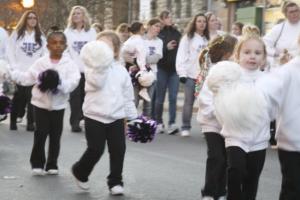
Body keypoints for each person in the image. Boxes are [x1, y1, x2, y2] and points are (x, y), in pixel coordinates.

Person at [71, 31, 137, 195]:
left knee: (118, 149)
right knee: (96, 149)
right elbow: (97, 84)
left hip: (116, 116)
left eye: (106, 46)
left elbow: (128, 96)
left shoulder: (122, 71)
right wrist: (100, 63)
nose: (102, 49)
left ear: (115, 50)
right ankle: (80, 171)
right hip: (94, 115)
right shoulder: (92, 69)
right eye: (99, 45)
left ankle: (115, 181)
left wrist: (133, 118)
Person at [206, 34, 269, 200]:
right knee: (235, 172)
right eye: (247, 52)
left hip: (259, 139)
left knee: (252, 179)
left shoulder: (268, 80)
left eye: (257, 53)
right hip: (235, 136)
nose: (252, 56)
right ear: (238, 55)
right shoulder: (231, 76)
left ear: (264, 58)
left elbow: (275, 107)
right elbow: (216, 96)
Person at [10, 29, 80, 175]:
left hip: (58, 106)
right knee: (40, 134)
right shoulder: (41, 62)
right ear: (47, 46)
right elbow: (28, 77)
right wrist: (13, 74)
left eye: (61, 43)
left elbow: (73, 82)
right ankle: (37, 163)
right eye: (54, 43)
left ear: (66, 46)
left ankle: (52, 164)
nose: (57, 46)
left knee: (56, 135)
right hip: (40, 104)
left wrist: (57, 83)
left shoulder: (70, 64)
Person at [197, 35, 237, 200]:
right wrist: (219, 112)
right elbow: (204, 98)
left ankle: (221, 191)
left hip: (229, 123)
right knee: (216, 157)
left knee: (227, 159)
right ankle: (208, 191)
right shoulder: (215, 71)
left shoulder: (237, 72)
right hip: (211, 123)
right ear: (228, 54)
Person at [6, 10, 46, 131]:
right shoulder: (17, 34)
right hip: (19, 71)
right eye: (30, 18)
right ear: (25, 19)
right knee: (18, 98)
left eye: (34, 18)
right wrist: (13, 67)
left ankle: (30, 123)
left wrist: (41, 69)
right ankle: (13, 121)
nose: (32, 20)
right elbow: (10, 50)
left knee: (32, 99)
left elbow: (44, 54)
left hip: (34, 73)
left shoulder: (40, 36)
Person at [64, 5, 97, 132]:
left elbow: (95, 49)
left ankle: (84, 119)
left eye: (79, 13)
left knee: (86, 97)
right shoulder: (68, 32)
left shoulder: (91, 32)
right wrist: (69, 64)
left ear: (84, 16)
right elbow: (65, 50)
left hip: (88, 70)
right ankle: (75, 122)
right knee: (74, 97)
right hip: (73, 70)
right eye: (74, 14)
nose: (76, 15)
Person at [176, 13, 209, 137]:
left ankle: (206, 128)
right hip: (190, 75)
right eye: (199, 21)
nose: (202, 24)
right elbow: (181, 56)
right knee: (189, 102)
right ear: (194, 23)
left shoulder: (207, 39)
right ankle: (185, 127)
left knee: (205, 103)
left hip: (204, 77)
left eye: (204, 22)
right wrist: (182, 73)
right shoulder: (188, 38)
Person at [155, 10, 181, 134]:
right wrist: (166, 47)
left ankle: (172, 123)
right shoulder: (158, 33)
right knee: (159, 98)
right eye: (167, 17)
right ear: (161, 19)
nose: (170, 19)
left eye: (171, 17)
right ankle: (159, 122)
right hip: (161, 69)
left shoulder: (177, 33)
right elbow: (155, 51)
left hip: (174, 70)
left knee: (173, 97)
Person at [263, 1, 300, 67]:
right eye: (291, 12)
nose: (295, 14)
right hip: (282, 66)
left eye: (296, 11)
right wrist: (276, 53)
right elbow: (263, 44)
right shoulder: (278, 28)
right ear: (285, 14)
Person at [143, 18, 163, 118]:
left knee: (148, 104)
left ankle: (145, 127)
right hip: (139, 74)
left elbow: (156, 59)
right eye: (156, 26)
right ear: (149, 26)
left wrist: (143, 58)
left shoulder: (159, 42)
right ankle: (131, 126)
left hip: (152, 75)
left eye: (159, 27)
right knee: (134, 101)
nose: (158, 28)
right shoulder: (141, 39)